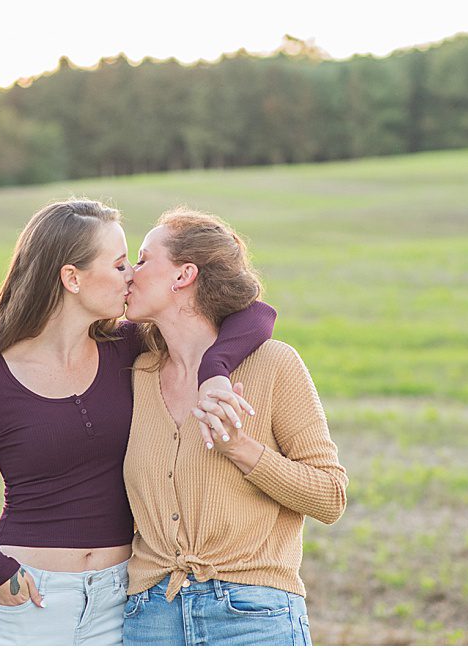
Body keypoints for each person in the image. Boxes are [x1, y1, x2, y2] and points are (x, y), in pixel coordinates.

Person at [0, 199, 276, 646]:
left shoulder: (130, 349)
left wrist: (215, 370)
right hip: (26, 602)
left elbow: (257, 314)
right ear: (71, 278)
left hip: (119, 604)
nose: (131, 274)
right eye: (118, 265)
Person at [120, 207, 348, 647]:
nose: (130, 272)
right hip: (150, 617)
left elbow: (330, 497)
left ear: (184, 275)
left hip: (251, 616)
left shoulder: (274, 365)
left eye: (144, 259)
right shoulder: (135, 372)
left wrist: (242, 448)